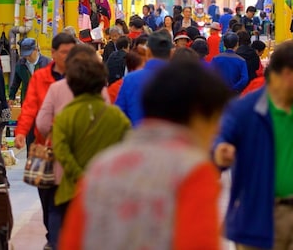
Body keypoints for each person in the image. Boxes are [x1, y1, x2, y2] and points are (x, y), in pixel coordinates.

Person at [59, 60, 233, 249]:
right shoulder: (193, 170)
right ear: (199, 116)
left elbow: (71, 243)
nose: (216, 131)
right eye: (215, 120)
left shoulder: (101, 166)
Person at [214, 41, 293, 249]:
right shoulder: (245, 110)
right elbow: (219, 142)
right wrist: (219, 152)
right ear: (288, 73)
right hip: (257, 217)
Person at [36, 45, 125, 247]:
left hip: (66, 183)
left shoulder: (64, 115)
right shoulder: (115, 115)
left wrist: (78, 174)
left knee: (60, 224)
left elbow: (54, 140)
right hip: (102, 186)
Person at [15, 32, 77, 249]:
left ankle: (56, 241)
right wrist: (21, 132)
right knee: (46, 196)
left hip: (73, 149)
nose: (68, 57)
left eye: (72, 53)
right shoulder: (41, 77)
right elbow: (30, 105)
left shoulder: (80, 76)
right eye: (64, 53)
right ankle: (53, 236)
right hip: (44, 147)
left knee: (65, 201)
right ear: (53, 53)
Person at [115, 30, 173, 125]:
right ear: (171, 53)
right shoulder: (182, 81)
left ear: (148, 52)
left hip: (136, 136)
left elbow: (119, 117)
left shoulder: (130, 80)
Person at [8, 37, 50, 107]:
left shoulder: (47, 63)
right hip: (27, 101)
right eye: (25, 55)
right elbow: (16, 82)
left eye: (29, 55)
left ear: (36, 50)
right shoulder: (20, 65)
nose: (27, 58)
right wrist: (11, 97)